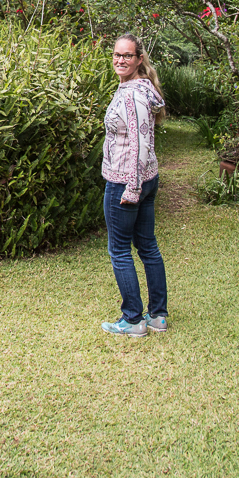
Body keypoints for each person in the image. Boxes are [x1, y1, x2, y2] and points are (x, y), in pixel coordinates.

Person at [100, 33, 168, 337]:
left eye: (127, 55)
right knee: (147, 246)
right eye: (116, 54)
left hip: (127, 182)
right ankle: (158, 316)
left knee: (120, 250)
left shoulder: (132, 95)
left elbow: (140, 143)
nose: (120, 60)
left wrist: (131, 187)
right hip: (145, 179)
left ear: (139, 59)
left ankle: (133, 319)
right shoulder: (141, 88)